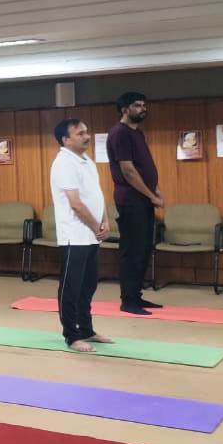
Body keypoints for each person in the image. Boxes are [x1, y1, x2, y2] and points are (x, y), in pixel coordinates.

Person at [50, 119, 114, 352]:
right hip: (74, 236)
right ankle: (71, 335)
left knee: (88, 286)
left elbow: (98, 196)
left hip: (91, 235)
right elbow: (75, 204)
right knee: (71, 288)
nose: (87, 136)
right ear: (66, 140)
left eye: (87, 132)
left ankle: (86, 330)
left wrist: (105, 221)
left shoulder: (87, 161)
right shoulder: (63, 163)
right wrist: (97, 227)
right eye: (80, 133)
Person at [105, 92, 163, 315]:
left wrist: (155, 190)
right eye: (137, 105)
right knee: (132, 251)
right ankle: (128, 300)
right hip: (131, 201)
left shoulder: (137, 133)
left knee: (143, 249)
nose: (143, 108)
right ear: (124, 109)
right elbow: (128, 171)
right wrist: (151, 195)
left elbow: (144, 166)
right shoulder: (120, 133)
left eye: (144, 105)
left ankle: (136, 296)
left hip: (143, 199)